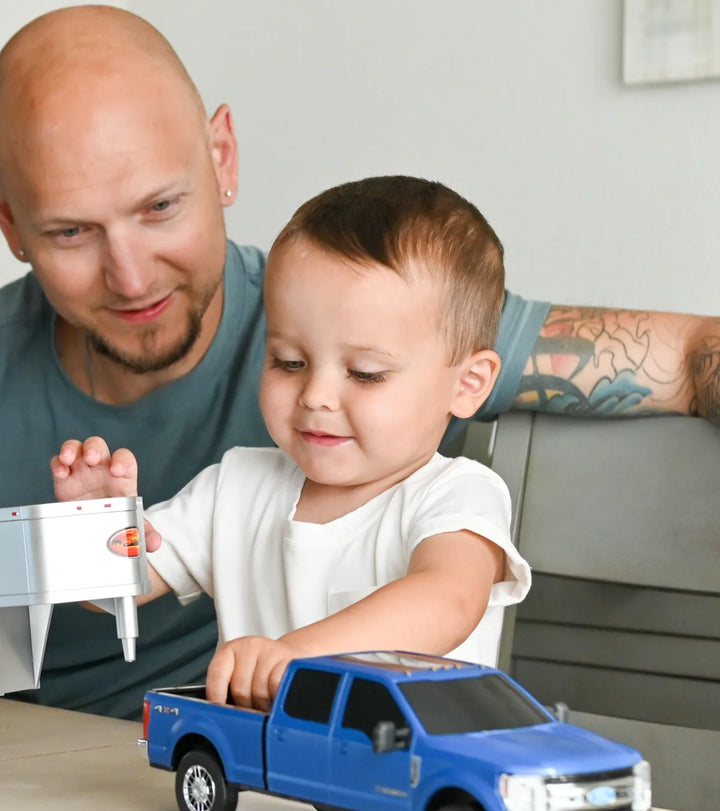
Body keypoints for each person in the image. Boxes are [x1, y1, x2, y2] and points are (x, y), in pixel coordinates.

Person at [0, 6, 720, 719]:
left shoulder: (366, 323)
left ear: (222, 153)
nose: (130, 274)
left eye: (162, 205)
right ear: (5, 220)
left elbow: (687, 357)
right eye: (68, 232)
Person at [51, 175, 531, 712]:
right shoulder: (235, 486)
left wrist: (296, 655)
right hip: (266, 773)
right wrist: (95, 530)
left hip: (413, 775)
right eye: (289, 362)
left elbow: (448, 600)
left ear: (467, 385)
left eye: (366, 372)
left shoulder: (457, 494)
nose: (316, 395)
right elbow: (114, 592)